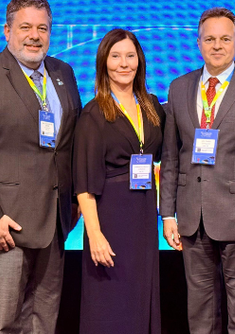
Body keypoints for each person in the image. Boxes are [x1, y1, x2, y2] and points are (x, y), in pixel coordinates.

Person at [0, 0, 82, 334]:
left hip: (55, 222)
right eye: (25, 26)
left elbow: (69, 144)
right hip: (6, 225)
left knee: (44, 321)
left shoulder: (63, 73)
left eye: (42, 28)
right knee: (7, 323)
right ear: (7, 30)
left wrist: (72, 202)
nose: (34, 35)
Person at [160, 7, 235, 334]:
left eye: (225, 39)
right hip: (190, 218)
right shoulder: (179, 87)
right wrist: (167, 215)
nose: (217, 46)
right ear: (198, 43)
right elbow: (171, 157)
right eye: (210, 39)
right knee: (199, 314)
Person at [73, 28, 164, 334]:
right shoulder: (94, 113)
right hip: (110, 220)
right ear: (103, 63)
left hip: (143, 221)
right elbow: (83, 183)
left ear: (139, 60)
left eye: (130, 55)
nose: (124, 63)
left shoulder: (151, 106)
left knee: (140, 301)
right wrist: (95, 234)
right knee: (109, 305)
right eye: (115, 57)